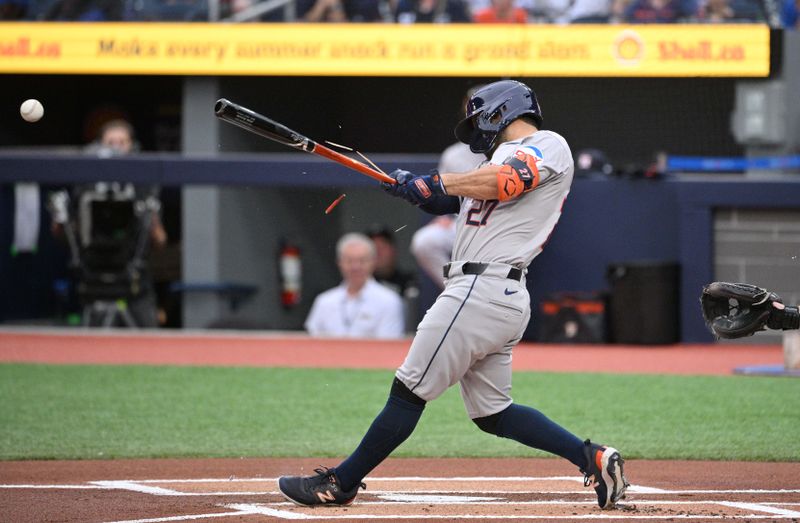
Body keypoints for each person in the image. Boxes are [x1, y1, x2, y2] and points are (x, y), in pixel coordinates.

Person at [278, 80, 629, 511]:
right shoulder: (497, 161)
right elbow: (461, 200)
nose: (476, 128)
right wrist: (414, 188)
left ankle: (341, 482)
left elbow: (508, 182)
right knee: (492, 413)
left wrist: (439, 181)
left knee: (408, 390)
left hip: (480, 290)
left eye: (479, 115)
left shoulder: (546, 144)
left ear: (501, 110)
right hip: (495, 294)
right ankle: (590, 457)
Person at [50, 118, 167, 328]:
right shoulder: (86, 185)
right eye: (110, 142)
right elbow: (66, 235)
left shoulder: (143, 185)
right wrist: (61, 222)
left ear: (132, 146)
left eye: (122, 142)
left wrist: (152, 220)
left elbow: (160, 241)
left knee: (149, 347)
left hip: (134, 280)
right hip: (93, 276)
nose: (116, 148)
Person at [305, 232, 405, 339]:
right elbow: (312, 341)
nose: (355, 267)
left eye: (362, 261)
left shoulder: (389, 301)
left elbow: (389, 346)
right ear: (339, 262)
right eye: (349, 261)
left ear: (373, 261)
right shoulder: (324, 301)